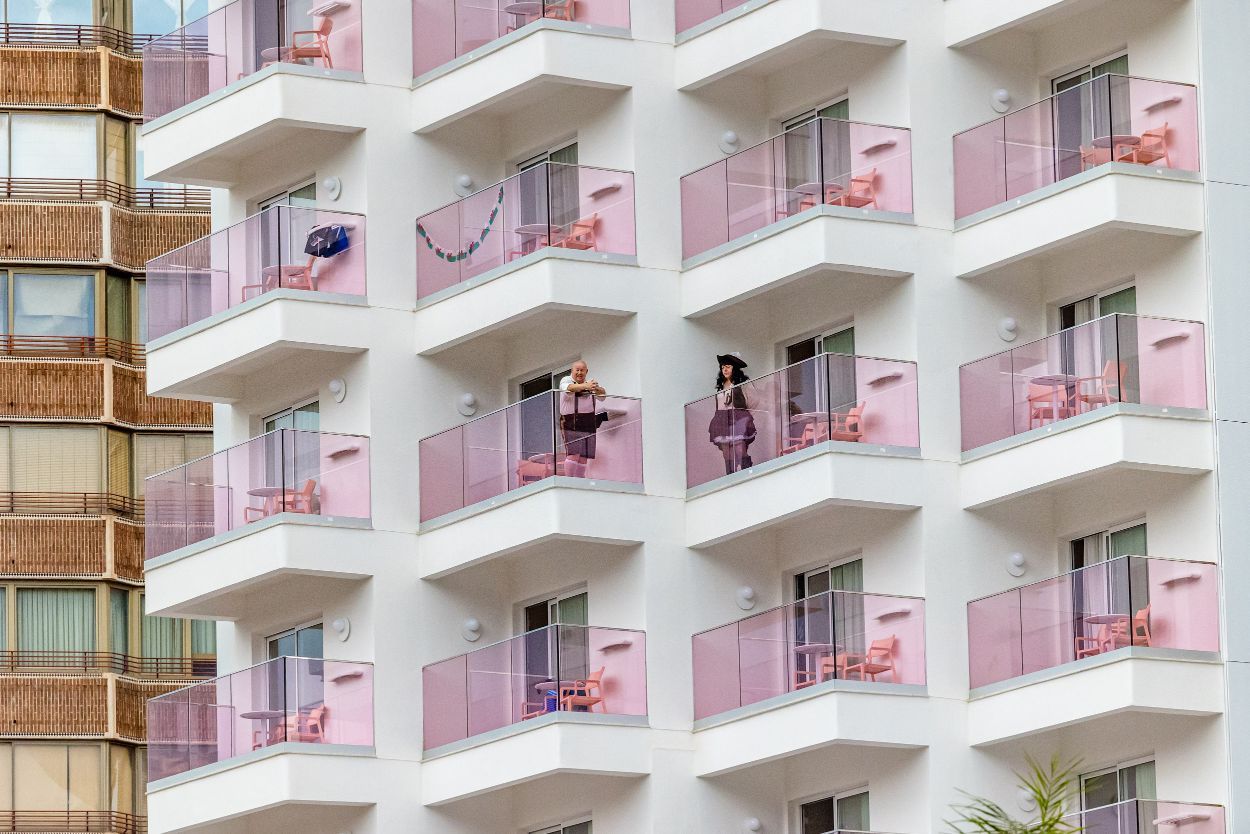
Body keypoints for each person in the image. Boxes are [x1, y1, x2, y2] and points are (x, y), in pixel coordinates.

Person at [558, 361, 606, 478]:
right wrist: (586, 386)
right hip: (571, 420)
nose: (579, 373)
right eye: (577, 370)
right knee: (573, 454)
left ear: (586, 372)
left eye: (582, 370)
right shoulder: (566, 380)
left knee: (584, 457)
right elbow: (568, 388)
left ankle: (580, 481)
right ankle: (569, 480)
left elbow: (603, 396)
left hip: (588, 421)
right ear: (572, 371)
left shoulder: (590, 384)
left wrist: (595, 388)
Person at [709, 353, 755, 475]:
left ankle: (746, 471)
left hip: (738, 417)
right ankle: (730, 475)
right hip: (722, 418)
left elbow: (754, 400)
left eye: (728, 366)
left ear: (734, 368)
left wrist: (744, 413)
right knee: (726, 451)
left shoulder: (743, 383)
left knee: (740, 446)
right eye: (723, 367)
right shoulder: (720, 387)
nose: (725, 369)